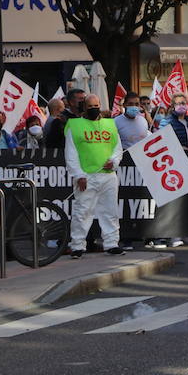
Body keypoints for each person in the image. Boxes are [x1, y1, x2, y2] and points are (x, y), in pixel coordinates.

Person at [64, 94, 125, 258]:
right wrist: (78, 175)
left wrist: (113, 161)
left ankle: (112, 243)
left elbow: (117, 148)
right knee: (82, 211)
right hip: (86, 177)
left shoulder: (109, 125)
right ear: (84, 107)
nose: (93, 109)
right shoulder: (75, 126)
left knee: (110, 211)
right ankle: (77, 246)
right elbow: (71, 153)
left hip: (108, 175)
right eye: (90, 106)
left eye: (96, 106)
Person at [150, 93, 188, 247]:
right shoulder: (167, 122)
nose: (182, 105)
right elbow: (159, 140)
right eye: (178, 103)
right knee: (176, 200)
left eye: (184, 102)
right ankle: (174, 234)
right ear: (172, 106)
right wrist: (179, 148)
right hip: (174, 165)